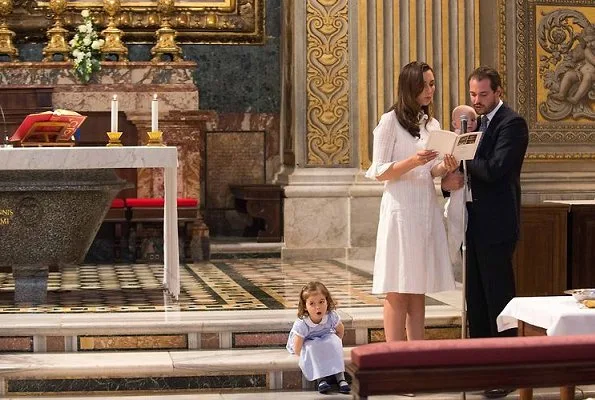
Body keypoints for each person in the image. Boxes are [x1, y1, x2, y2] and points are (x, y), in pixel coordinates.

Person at [442, 66, 529, 398]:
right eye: (472, 95)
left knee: (498, 299)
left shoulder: (511, 124)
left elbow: (495, 169)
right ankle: (479, 367)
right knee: (474, 300)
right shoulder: (470, 124)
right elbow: (460, 178)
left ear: (498, 92)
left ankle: (505, 371)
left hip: (496, 224)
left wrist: (460, 162)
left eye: (483, 95)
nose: (476, 101)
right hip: (471, 221)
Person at [365, 61, 459, 342]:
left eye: (432, 84)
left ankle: (416, 356)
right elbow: (379, 171)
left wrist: (446, 165)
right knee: (397, 286)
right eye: (425, 85)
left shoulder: (432, 124)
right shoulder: (389, 121)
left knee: (418, 287)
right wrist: (412, 161)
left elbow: (432, 170)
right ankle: (395, 358)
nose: (431, 90)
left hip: (424, 209)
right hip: (400, 210)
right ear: (410, 87)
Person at [286, 281, 350, 394]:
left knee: (334, 341)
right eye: (312, 303)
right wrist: (315, 352)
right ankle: (320, 379)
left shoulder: (331, 316)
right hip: (306, 342)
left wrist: (332, 346)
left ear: (327, 301)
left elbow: (340, 331)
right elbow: (297, 349)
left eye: (321, 302)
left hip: (324, 337)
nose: (318, 307)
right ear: (305, 307)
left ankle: (341, 379)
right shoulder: (302, 324)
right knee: (312, 347)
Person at [444, 105, 479, 266]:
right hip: (458, 194)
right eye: (465, 120)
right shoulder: (451, 141)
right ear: (454, 123)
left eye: (473, 119)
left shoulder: (481, 138)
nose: (470, 123)